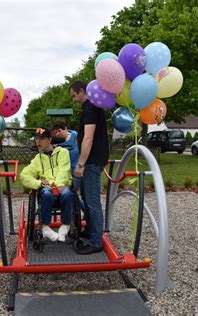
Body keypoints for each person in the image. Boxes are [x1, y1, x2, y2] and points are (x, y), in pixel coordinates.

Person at [69, 80, 109, 255]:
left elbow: (88, 138)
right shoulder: (90, 107)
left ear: (81, 91)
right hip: (92, 160)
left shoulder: (91, 107)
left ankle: (96, 242)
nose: (73, 100)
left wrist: (81, 164)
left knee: (92, 201)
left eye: (73, 96)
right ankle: (90, 230)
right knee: (85, 195)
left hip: (91, 162)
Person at [20, 128, 73, 242]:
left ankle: (66, 224)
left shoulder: (63, 153)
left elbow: (64, 170)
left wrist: (58, 185)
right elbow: (24, 176)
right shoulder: (37, 159)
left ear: (49, 139)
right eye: (36, 139)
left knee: (68, 193)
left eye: (41, 139)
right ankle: (45, 226)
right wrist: (39, 183)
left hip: (61, 186)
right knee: (46, 194)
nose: (38, 142)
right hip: (47, 190)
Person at [51, 121, 80, 189]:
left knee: (76, 189)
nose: (57, 134)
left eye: (59, 131)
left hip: (75, 168)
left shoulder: (77, 137)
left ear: (66, 129)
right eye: (55, 132)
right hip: (61, 171)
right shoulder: (55, 143)